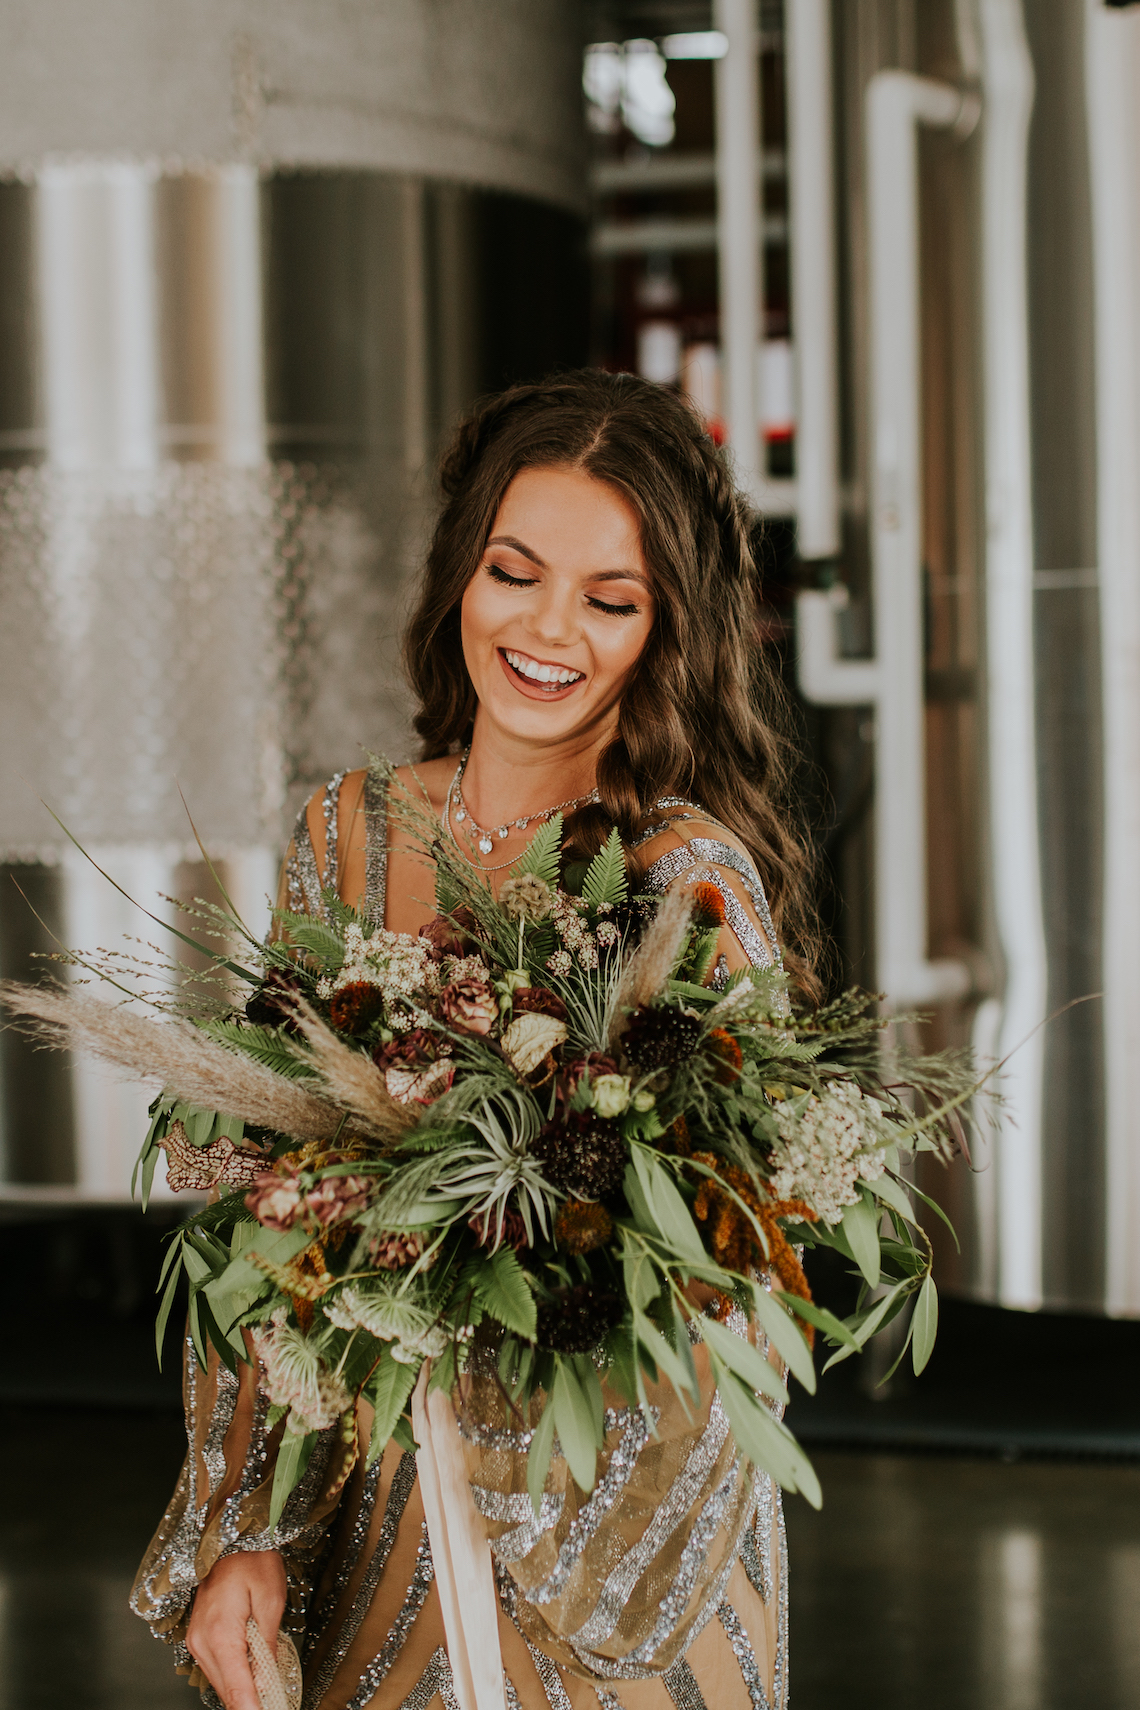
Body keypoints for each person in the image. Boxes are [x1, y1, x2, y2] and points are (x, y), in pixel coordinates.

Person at [131, 370, 818, 1710]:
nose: (548, 627)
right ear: (460, 571)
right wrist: (249, 1519)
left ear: (663, 631)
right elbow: (264, 1225)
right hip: (375, 1510)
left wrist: (512, 1437)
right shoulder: (344, 831)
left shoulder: (688, 883)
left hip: (616, 1543)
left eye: (610, 599)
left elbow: (747, 1289)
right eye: (516, 570)